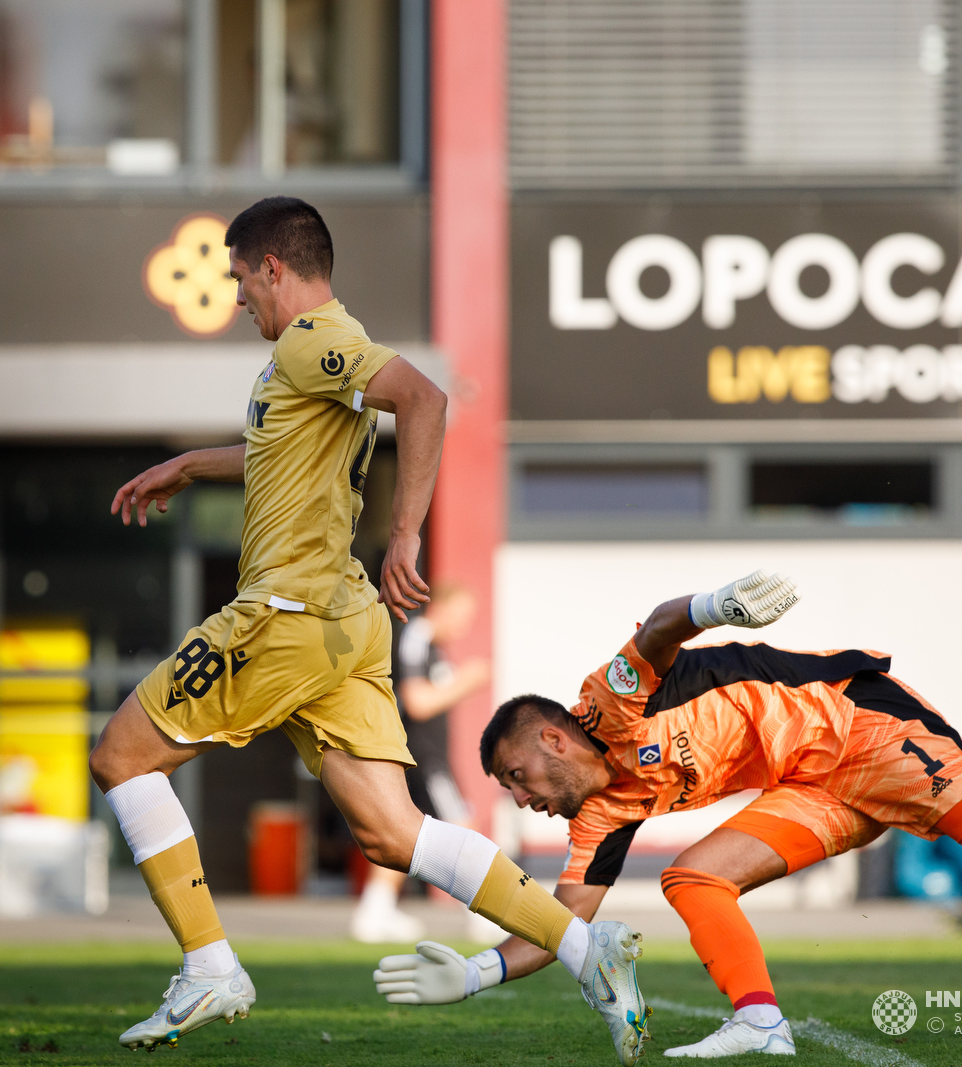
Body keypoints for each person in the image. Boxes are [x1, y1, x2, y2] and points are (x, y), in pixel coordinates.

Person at [90, 196, 648, 1063]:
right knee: (396, 833)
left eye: (241, 280)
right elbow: (279, 452)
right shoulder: (309, 358)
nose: (239, 299)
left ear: (274, 267)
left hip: (286, 613)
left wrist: (405, 532)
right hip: (346, 624)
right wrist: (189, 465)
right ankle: (585, 949)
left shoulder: (311, 338)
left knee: (121, 756)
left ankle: (209, 962)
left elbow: (421, 398)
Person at [373, 570, 962, 1058]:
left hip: (859, 726)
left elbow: (660, 628)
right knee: (695, 876)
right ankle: (762, 1021)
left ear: (554, 737)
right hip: (810, 782)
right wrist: (478, 971)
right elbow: (561, 923)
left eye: (519, 776)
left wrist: (717, 602)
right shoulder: (599, 816)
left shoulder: (605, 707)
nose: (521, 799)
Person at [350, 582, 491, 943]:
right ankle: (481, 914)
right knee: (462, 825)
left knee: (408, 832)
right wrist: (467, 681)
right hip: (422, 755)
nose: (463, 627)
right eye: (460, 617)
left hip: (426, 755)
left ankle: (374, 911)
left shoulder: (432, 646)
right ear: (440, 609)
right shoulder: (416, 638)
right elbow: (417, 703)